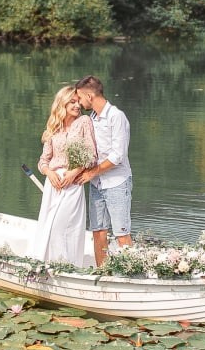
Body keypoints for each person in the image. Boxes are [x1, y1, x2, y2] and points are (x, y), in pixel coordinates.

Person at [31, 85, 98, 268]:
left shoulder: (84, 121)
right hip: (53, 184)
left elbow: (92, 155)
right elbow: (43, 161)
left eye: (78, 102)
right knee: (48, 226)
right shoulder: (54, 127)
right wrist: (49, 173)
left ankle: (65, 266)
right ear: (63, 103)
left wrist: (74, 172)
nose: (77, 105)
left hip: (72, 183)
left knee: (62, 227)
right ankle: (47, 265)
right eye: (72, 102)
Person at [73, 75, 132, 267]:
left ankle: (131, 273)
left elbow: (118, 156)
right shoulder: (91, 119)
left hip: (116, 182)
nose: (79, 103)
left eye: (80, 98)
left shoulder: (116, 116)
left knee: (121, 233)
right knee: (98, 231)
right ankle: (103, 272)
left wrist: (92, 173)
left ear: (90, 96)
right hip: (97, 184)